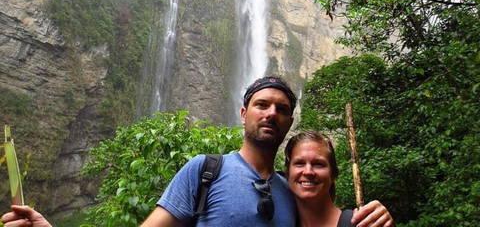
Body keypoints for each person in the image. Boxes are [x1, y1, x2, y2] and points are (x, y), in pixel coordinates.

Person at [141, 76, 392, 226]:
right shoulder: (205, 170)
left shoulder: (292, 190)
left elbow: (326, 216)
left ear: (290, 123)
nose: (271, 113)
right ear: (243, 114)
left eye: (281, 109)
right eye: (261, 105)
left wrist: (375, 216)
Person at [285, 130, 394, 227]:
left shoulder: (362, 223)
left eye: (318, 164)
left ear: (333, 174)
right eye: (299, 163)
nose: (308, 171)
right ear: (287, 174)